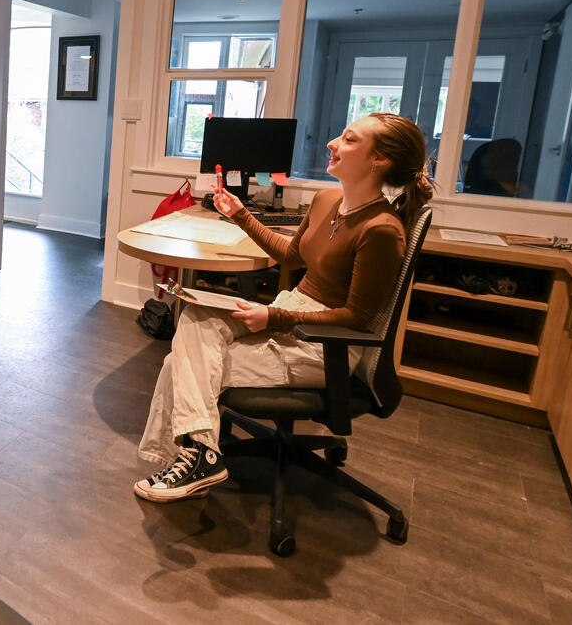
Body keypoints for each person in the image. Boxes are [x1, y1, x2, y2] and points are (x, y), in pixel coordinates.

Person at [133, 112, 433, 502]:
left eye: (349, 139)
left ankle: (194, 458)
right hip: (291, 311)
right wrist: (239, 214)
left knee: (181, 363)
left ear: (380, 160)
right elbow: (291, 257)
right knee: (196, 314)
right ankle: (201, 456)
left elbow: (357, 318)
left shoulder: (381, 230)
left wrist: (275, 317)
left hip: (326, 343)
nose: (332, 143)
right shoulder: (327, 200)